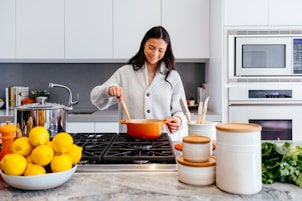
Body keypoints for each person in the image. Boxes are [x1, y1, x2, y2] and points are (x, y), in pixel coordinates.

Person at [90, 26, 188, 140]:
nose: (155, 54)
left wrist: (178, 120)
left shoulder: (173, 77)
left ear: (166, 51)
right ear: (144, 44)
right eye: (151, 48)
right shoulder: (125, 72)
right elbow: (95, 98)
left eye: (160, 50)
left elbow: (182, 112)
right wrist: (108, 90)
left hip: (162, 143)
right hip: (129, 142)